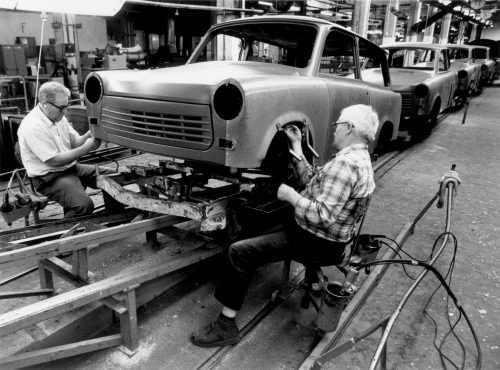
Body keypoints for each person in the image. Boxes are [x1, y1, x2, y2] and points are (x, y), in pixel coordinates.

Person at [191, 104, 379, 347]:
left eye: (337, 125)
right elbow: (314, 181)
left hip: (315, 241)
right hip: (328, 239)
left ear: (349, 128)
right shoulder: (357, 159)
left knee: (240, 251)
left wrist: (290, 195)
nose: (334, 130)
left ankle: (226, 326)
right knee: (261, 222)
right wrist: (297, 147)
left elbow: (322, 214)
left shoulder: (346, 165)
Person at [17, 81, 115, 218]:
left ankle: (115, 218)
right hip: (48, 177)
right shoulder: (33, 126)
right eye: (61, 108)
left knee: (113, 178)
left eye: (66, 106)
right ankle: (64, 233)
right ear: (45, 103)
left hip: (69, 169)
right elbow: (54, 161)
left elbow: (75, 142)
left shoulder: (57, 116)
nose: (65, 112)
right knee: (83, 206)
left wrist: (93, 131)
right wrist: (87, 148)